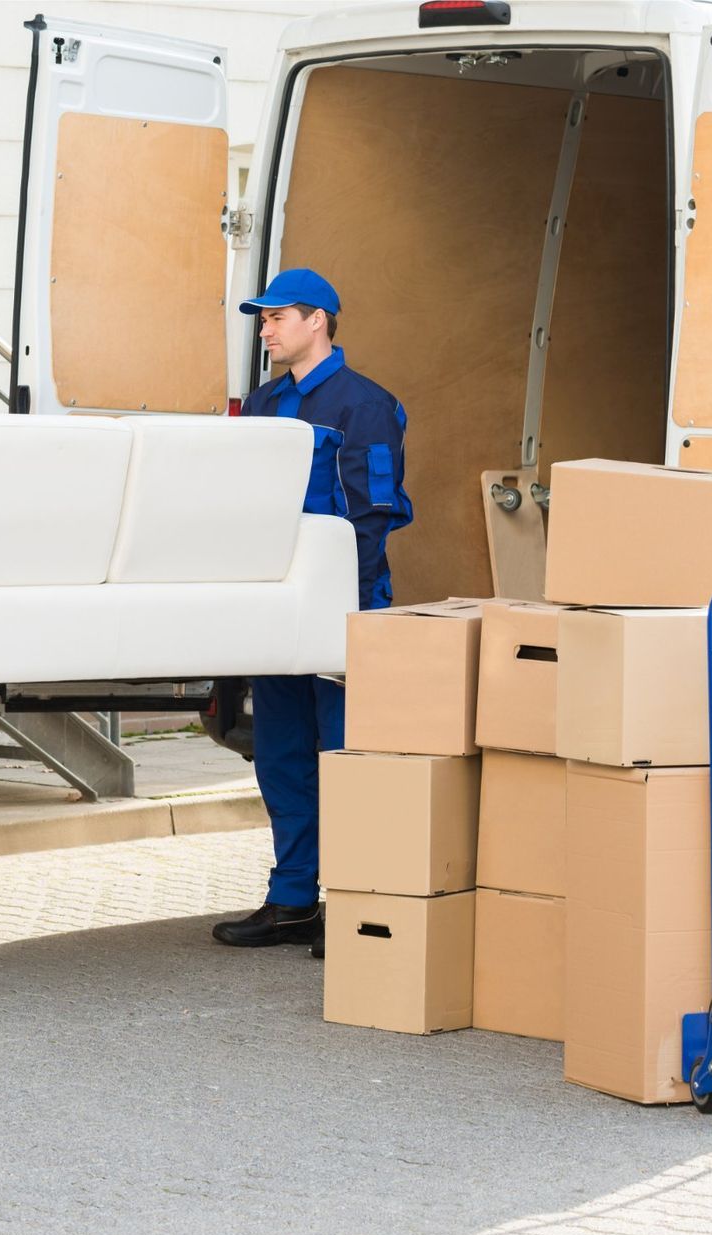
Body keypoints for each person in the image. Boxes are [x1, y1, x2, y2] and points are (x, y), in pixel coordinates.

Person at [211, 268, 412, 951]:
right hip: (277, 610)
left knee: (342, 757)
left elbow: (374, 516)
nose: (264, 329)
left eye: (275, 317)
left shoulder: (367, 406)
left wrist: (341, 614)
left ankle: (351, 903)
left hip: (342, 609)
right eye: (262, 319)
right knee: (281, 755)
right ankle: (293, 897)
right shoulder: (265, 403)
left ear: (318, 320)